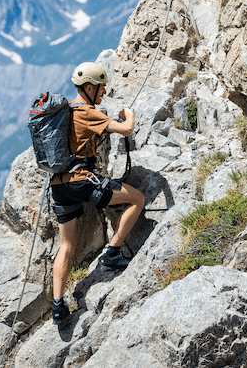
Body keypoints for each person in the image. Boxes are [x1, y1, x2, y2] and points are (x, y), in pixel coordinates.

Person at [50, 62, 145, 327]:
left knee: (66, 246)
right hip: (82, 182)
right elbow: (126, 130)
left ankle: (58, 306)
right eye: (101, 88)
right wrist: (129, 115)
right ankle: (112, 252)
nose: (103, 93)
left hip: (59, 186)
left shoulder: (65, 112)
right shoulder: (85, 112)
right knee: (137, 199)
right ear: (90, 87)